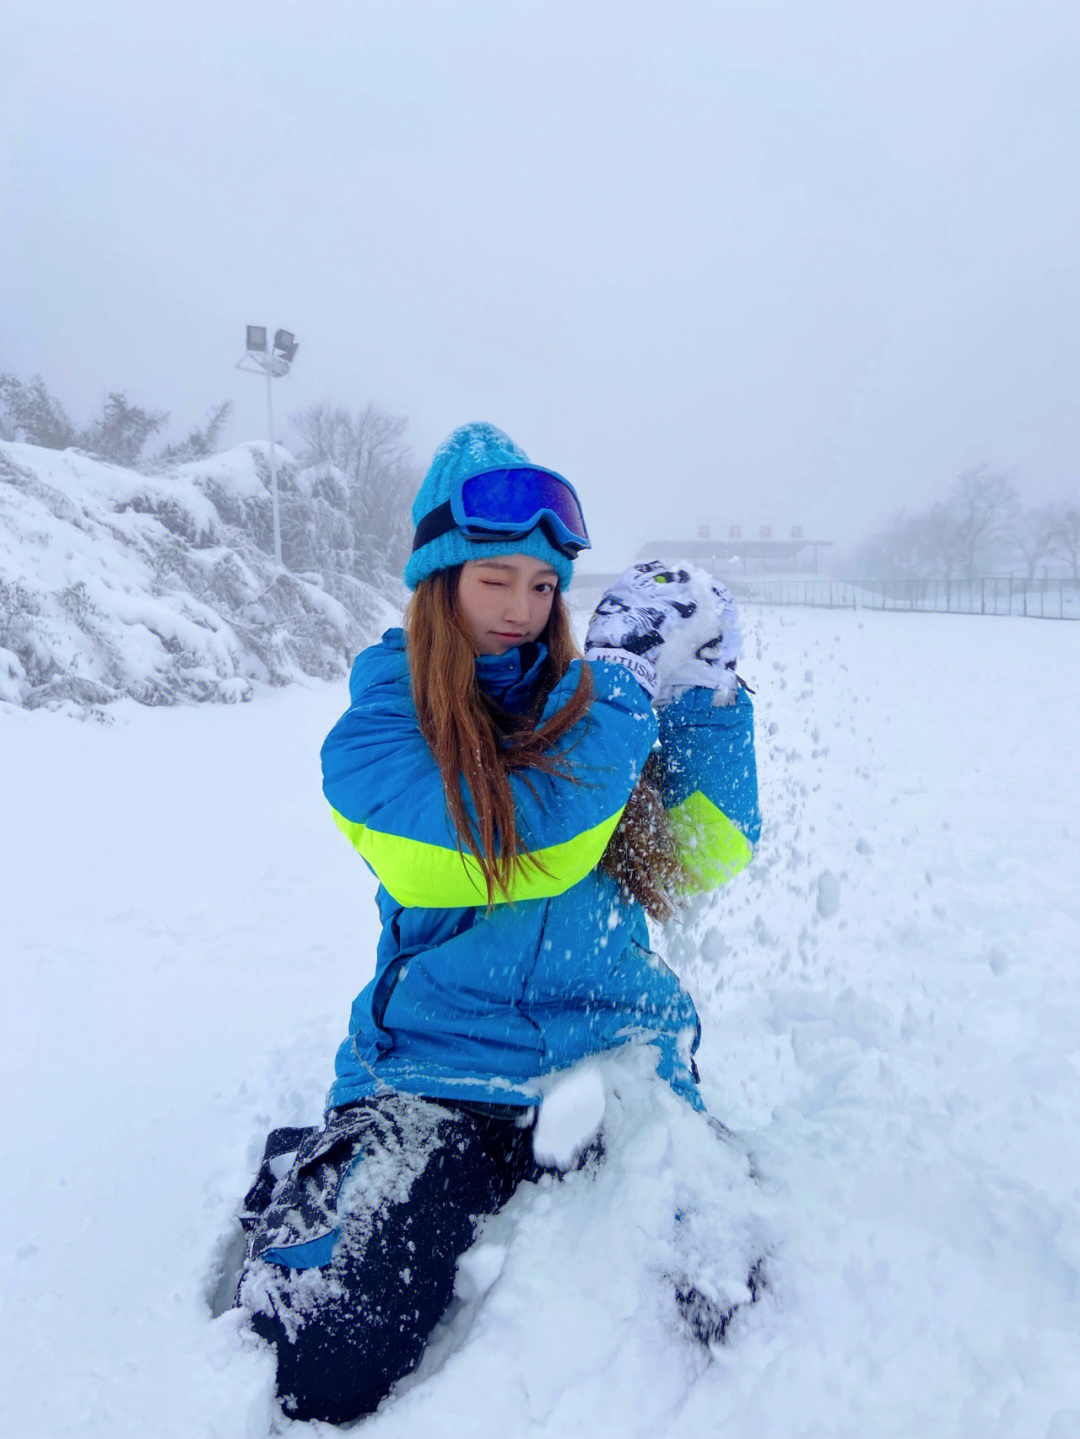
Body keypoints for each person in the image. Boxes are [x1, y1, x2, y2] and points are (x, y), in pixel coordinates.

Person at [234, 422, 761, 1425]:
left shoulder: (601, 699)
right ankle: (321, 1176)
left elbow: (702, 857)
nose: (524, 608)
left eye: (543, 584)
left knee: (729, 1309)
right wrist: (621, 692)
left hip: (617, 1055)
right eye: (496, 579)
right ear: (439, 581)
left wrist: (706, 701)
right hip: (438, 1067)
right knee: (326, 1355)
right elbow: (514, 849)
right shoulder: (379, 732)